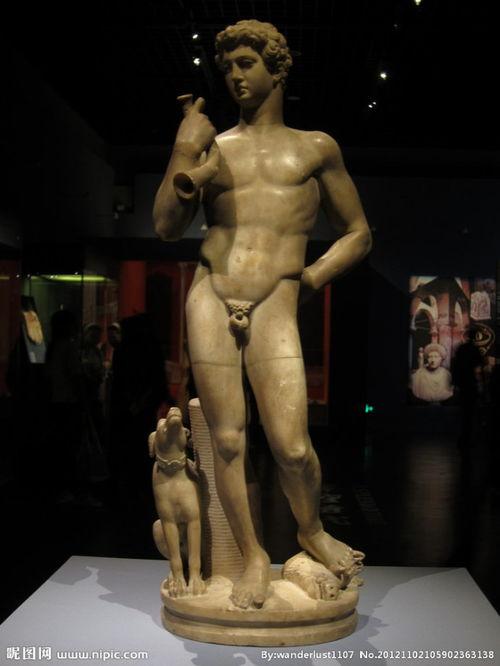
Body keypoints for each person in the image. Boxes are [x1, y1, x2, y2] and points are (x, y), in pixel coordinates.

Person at [153, 19, 371, 609]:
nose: (234, 76)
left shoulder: (315, 147)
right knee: (226, 439)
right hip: (211, 291)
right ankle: (253, 555)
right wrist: (184, 147)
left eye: (246, 63)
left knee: (292, 445)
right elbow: (166, 225)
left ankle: (311, 530)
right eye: (227, 67)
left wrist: (311, 278)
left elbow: (358, 232)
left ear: (277, 68)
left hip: (276, 298)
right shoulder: (213, 148)